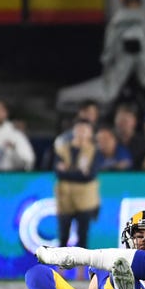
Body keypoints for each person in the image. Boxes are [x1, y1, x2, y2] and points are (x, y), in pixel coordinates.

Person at [54, 118, 101, 280]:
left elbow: (90, 175)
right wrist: (79, 172)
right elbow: (59, 172)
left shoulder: (94, 151)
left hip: (85, 198)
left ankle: (81, 272)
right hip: (65, 197)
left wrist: (69, 171)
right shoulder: (62, 149)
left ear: (90, 133)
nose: (81, 133)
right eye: (79, 129)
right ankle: (61, 270)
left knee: (83, 235)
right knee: (63, 235)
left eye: (85, 130)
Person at [113, 102, 145, 169]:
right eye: (120, 120)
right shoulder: (111, 142)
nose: (122, 124)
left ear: (134, 122)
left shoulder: (143, 144)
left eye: (125, 121)